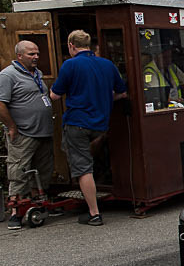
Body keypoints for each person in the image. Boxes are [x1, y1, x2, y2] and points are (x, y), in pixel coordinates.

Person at [50, 30, 127, 226]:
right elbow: (122, 93)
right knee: (89, 160)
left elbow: (55, 96)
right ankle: (93, 192)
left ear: (71, 45)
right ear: (90, 45)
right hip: (101, 124)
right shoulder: (107, 64)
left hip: (77, 122)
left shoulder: (70, 64)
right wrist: (104, 99)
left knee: (82, 167)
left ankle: (94, 213)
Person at [0, 41, 54, 230]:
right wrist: (12, 127)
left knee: (42, 170)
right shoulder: (8, 75)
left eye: (37, 53)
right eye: (31, 54)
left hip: (43, 132)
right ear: (19, 56)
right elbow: (1, 104)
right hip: (23, 133)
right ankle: (15, 212)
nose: (36, 57)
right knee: (18, 171)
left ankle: (36, 204)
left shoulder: (37, 74)